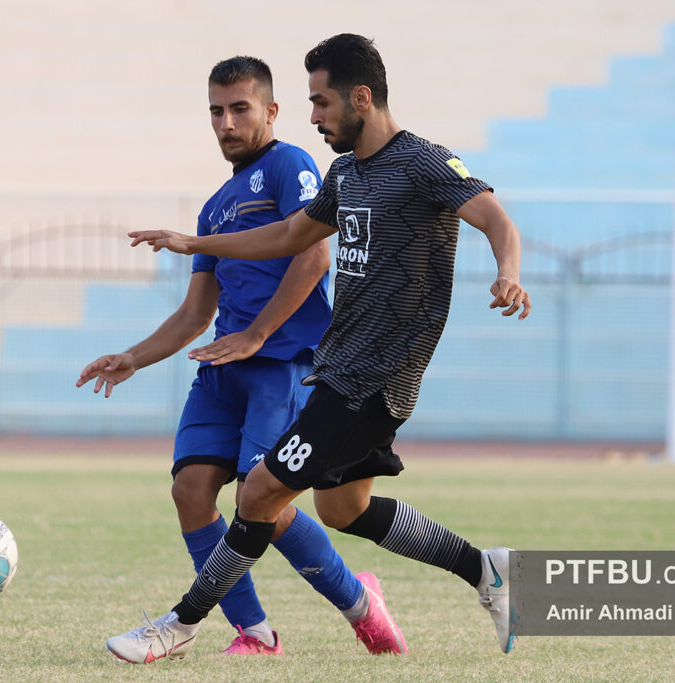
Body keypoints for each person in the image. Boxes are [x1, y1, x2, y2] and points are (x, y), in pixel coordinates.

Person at [106, 34, 532, 663]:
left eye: (322, 101)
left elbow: (496, 218)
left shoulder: (423, 163)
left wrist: (508, 271)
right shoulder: (346, 173)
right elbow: (286, 235)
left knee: (258, 494)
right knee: (343, 509)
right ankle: (486, 570)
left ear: (362, 97)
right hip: (340, 370)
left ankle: (181, 623)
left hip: (374, 379)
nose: (313, 116)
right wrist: (197, 245)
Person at [77, 55, 406, 660]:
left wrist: (256, 336)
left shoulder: (291, 166)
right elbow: (194, 315)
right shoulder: (213, 208)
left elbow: (313, 258)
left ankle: (360, 604)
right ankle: (255, 634)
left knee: (263, 497)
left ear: (271, 111)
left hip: (283, 366)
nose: (226, 123)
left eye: (239, 109)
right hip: (222, 368)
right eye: (215, 112)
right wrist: (132, 357)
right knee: (190, 490)